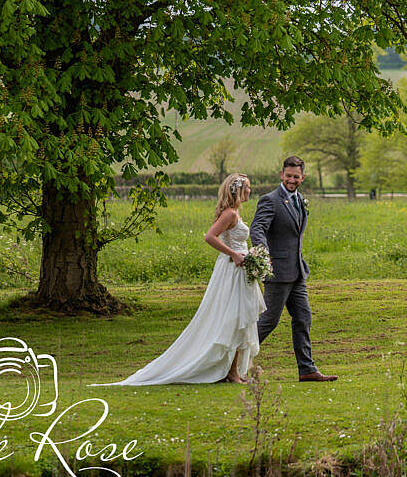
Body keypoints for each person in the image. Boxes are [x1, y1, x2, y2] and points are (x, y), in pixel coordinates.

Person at [90, 174, 266, 386]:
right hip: (232, 270)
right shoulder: (229, 214)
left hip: (240, 272)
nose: (250, 191)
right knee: (232, 319)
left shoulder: (235, 212)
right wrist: (234, 254)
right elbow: (209, 237)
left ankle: (232, 370)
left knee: (240, 319)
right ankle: (230, 372)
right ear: (237, 190)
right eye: (247, 188)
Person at [250, 156, 337, 381]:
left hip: (297, 272)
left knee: (303, 317)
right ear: (281, 175)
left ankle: (307, 369)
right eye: (288, 176)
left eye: (295, 177)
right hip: (277, 272)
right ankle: (233, 360)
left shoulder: (299, 200)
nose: (291, 180)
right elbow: (258, 228)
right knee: (268, 321)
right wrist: (263, 254)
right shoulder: (270, 200)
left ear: (302, 178)